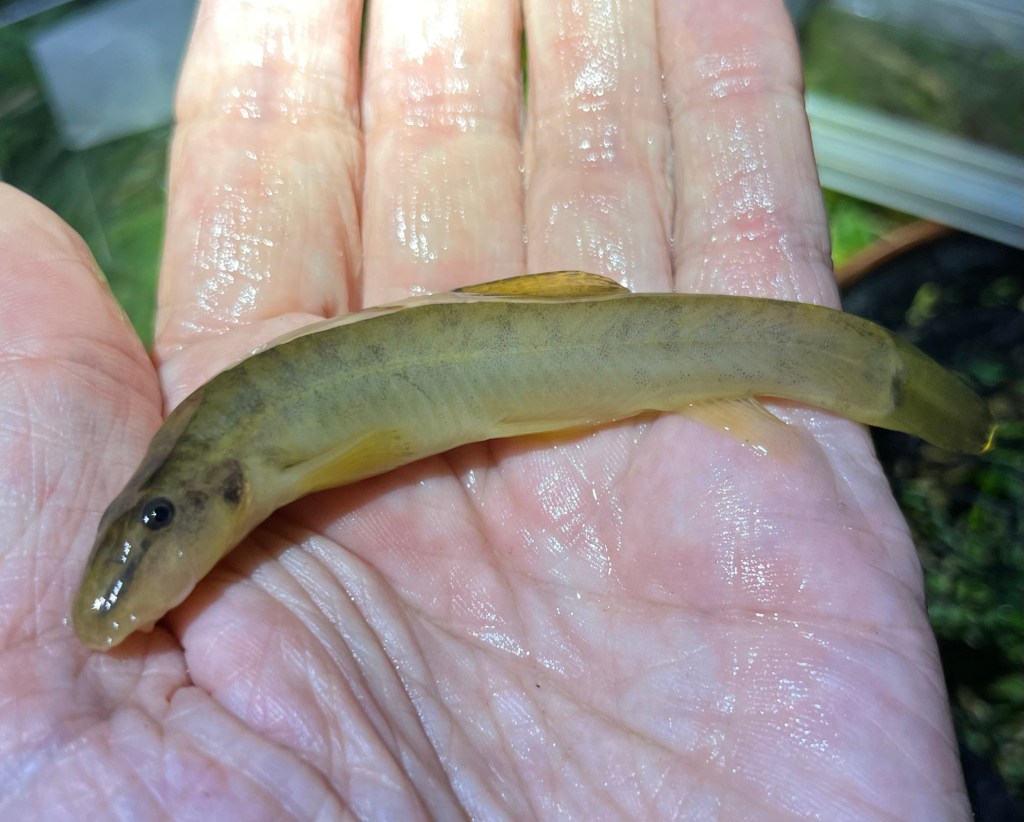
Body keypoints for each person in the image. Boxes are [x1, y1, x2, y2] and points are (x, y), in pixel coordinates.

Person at [0, 0, 971, 817]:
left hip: (538, 355)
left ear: (214, 490)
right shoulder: (218, 460)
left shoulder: (227, 458)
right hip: (492, 361)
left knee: (725, 356)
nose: (138, 561)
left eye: (157, 520)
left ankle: (925, 401)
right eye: (151, 520)